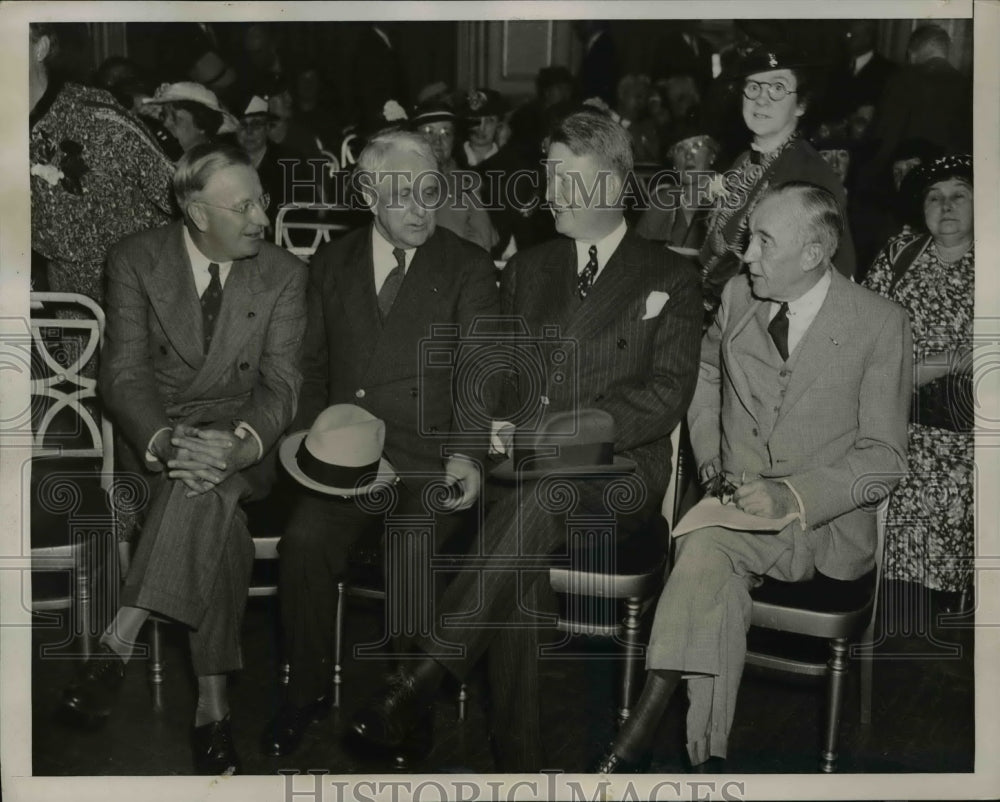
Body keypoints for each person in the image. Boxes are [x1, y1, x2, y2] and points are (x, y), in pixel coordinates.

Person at [347, 109, 702, 772]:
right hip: (523, 473)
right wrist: (490, 423)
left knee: (544, 493)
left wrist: (550, 437)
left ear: (611, 184)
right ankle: (520, 764)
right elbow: (494, 370)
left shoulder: (670, 276)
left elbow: (663, 397)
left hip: (619, 473)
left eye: (565, 178)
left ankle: (423, 675)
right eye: (548, 175)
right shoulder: (529, 268)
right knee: (521, 553)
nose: (548, 192)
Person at [594, 182, 912, 773]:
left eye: (765, 241)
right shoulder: (739, 296)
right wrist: (710, 454)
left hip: (821, 526)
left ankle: (648, 728)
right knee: (708, 559)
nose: (747, 255)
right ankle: (702, 756)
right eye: (749, 239)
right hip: (735, 505)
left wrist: (791, 495)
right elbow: (704, 371)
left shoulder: (878, 323)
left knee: (701, 554)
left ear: (813, 253)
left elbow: (884, 457)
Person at [58, 143, 307, 775]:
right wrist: (169, 444)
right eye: (244, 206)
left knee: (211, 482)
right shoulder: (136, 259)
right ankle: (213, 710)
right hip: (160, 444)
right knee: (211, 508)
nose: (262, 217)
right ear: (197, 213)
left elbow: (281, 385)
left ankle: (119, 638)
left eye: (263, 200)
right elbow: (124, 376)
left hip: (243, 442)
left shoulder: (283, 272)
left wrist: (241, 442)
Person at [262, 130, 499, 760]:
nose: (421, 208)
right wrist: (307, 442)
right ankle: (306, 691)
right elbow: (311, 369)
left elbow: (480, 373)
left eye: (430, 191)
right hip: (347, 461)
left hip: (428, 463)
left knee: (410, 549)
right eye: (402, 194)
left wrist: (466, 453)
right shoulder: (330, 264)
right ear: (368, 194)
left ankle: (407, 702)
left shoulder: (467, 266)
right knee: (303, 543)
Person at [863, 154, 974, 603]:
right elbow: (863, 325)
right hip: (894, 420)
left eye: (959, 195)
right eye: (934, 197)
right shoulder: (901, 253)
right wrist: (943, 361)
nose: (946, 206)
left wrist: (932, 366)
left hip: (963, 434)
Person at [699, 44, 855, 316]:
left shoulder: (809, 173)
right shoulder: (743, 161)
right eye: (753, 87)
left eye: (778, 88)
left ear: (801, 105)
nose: (761, 99)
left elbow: (832, 272)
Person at [29, 23, 175, 306]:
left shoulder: (96, 114)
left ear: (40, 48)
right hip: (72, 304)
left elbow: (180, 190)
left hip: (147, 292)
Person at [856, 25, 971, 195]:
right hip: (952, 187)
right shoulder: (967, 86)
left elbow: (884, 142)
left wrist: (861, 180)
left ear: (911, 53)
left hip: (910, 185)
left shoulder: (903, 80)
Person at [412, 100, 498, 253]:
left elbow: (485, 240)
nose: (438, 141)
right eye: (428, 132)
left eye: (446, 133)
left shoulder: (465, 183)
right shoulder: (402, 181)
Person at [141, 82, 239, 159]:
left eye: (175, 119)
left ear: (201, 124)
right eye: (164, 117)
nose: (165, 124)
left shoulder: (214, 163)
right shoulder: (165, 154)